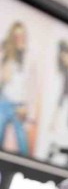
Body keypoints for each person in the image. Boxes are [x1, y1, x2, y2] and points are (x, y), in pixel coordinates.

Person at [0, 21, 31, 156]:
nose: (20, 39)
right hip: (4, 101)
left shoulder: (27, 56)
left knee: (23, 143)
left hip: (18, 104)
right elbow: (3, 78)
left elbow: (27, 85)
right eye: (16, 36)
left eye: (22, 35)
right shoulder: (5, 52)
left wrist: (24, 105)